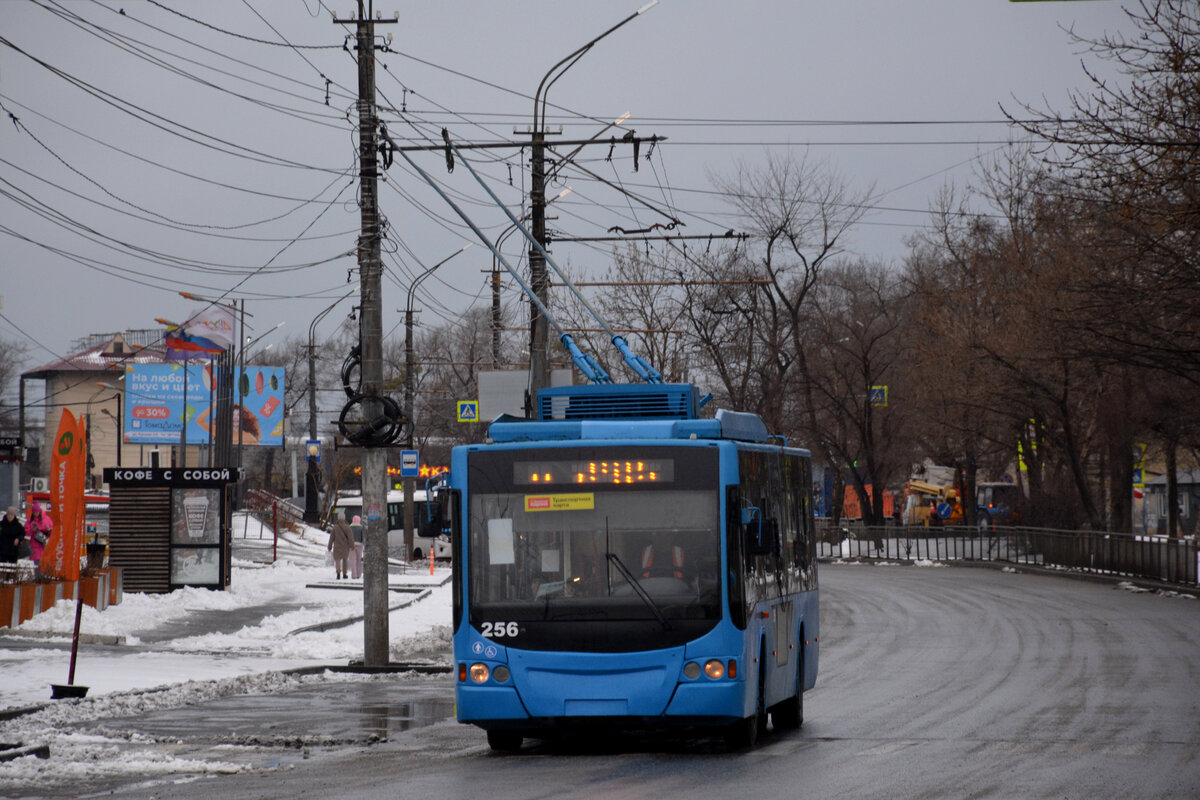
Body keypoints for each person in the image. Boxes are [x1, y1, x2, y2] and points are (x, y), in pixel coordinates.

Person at [327, 514, 354, 580]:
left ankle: (338, 573)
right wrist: (352, 546)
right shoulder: (348, 527)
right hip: (345, 547)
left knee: (337, 560)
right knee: (345, 560)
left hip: (337, 546)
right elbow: (350, 538)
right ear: (344, 518)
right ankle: (344, 574)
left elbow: (331, 538)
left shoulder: (335, 527)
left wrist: (329, 547)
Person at [348, 515, 364, 580]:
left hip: (351, 545)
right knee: (358, 560)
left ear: (353, 520)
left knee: (352, 561)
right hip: (359, 545)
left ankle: (354, 575)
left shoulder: (350, 527)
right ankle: (358, 574)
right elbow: (363, 537)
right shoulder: (361, 528)